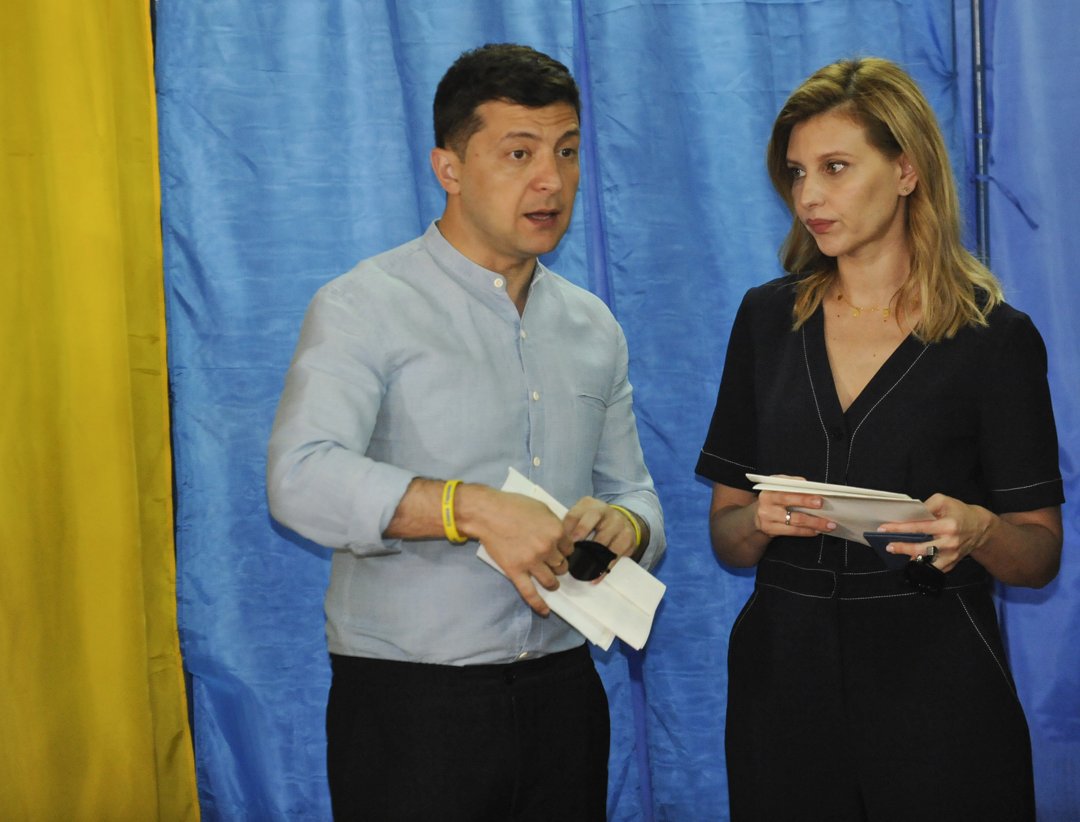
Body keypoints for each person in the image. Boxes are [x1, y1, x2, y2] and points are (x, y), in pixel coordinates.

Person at [267, 43, 665, 822]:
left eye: (567, 151)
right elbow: (299, 478)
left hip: (564, 697)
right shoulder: (364, 305)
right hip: (412, 707)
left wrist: (624, 526)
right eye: (519, 153)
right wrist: (469, 508)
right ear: (448, 168)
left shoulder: (593, 326)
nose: (551, 180)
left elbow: (637, 496)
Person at [696, 57, 1063, 821]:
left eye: (835, 168)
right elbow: (727, 535)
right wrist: (758, 521)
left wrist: (981, 529)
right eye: (797, 173)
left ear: (906, 170)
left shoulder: (995, 339)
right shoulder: (765, 321)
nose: (809, 196)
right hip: (782, 687)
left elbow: (1039, 555)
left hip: (939, 685)